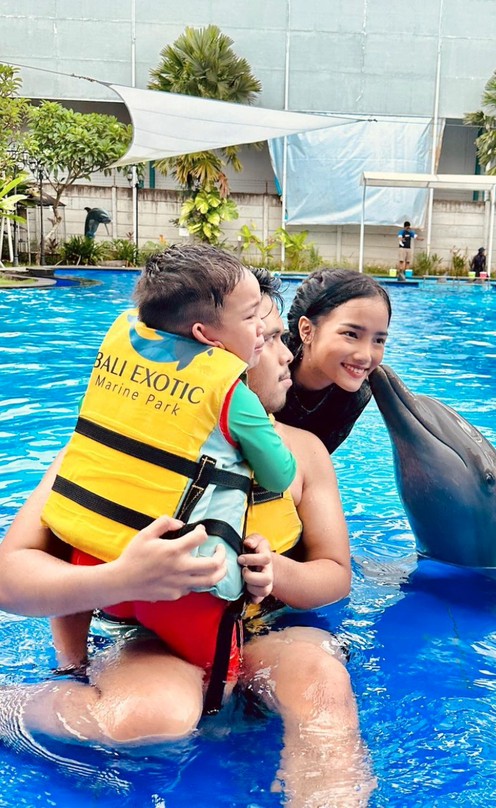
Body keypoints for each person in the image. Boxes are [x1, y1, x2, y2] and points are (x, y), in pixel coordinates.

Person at [0, 269, 372, 806]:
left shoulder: (305, 453)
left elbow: (336, 576)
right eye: (267, 339)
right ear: (212, 352)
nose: (288, 355)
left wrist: (279, 574)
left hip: (270, 632)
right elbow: (10, 580)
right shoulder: (112, 452)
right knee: (151, 719)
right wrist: (121, 578)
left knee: (320, 685)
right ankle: (13, 703)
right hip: (155, 640)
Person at [42, 244, 296, 712]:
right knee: (217, 693)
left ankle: (70, 669)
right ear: (207, 335)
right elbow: (280, 474)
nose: (260, 330)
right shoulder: (230, 394)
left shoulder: (122, 368)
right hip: (183, 586)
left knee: (83, 667)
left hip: (94, 564)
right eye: (249, 319)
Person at [276, 268, 392, 453]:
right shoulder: (266, 359)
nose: (366, 355)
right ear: (307, 330)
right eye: (351, 334)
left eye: (379, 340)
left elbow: (312, 459)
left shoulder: (355, 395)